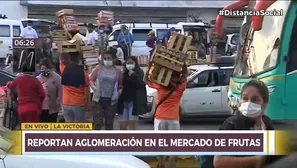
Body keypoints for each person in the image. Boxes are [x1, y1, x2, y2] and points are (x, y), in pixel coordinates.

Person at [212, 80, 274, 168]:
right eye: (245, 98)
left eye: (255, 99)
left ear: (265, 103)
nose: (248, 103)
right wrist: (255, 160)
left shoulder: (267, 124)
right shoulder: (232, 124)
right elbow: (219, 161)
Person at [146, 62, 187, 168]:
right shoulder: (180, 87)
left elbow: (147, 80)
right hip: (173, 118)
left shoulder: (161, 85)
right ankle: (172, 165)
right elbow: (185, 75)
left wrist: (150, 66)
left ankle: (161, 164)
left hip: (160, 118)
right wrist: (183, 64)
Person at [90, 50, 123, 130]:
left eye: (109, 58)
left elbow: (120, 85)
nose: (107, 60)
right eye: (105, 58)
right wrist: (94, 88)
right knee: (97, 123)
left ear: (113, 59)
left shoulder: (118, 72)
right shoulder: (98, 69)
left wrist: (118, 93)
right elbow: (91, 80)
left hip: (111, 101)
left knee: (109, 123)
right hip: (98, 100)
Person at [117, 56, 147, 130]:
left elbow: (142, 85)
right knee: (122, 125)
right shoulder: (123, 73)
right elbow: (120, 84)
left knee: (131, 124)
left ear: (135, 63)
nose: (129, 65)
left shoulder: (139, 72)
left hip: (134, 102)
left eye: (131, 63)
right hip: (124, 101)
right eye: (128, 63)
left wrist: (134, 76)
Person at [60, 52, 90, 122]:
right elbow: (87, 92)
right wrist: (87, 104)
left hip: (66, 102)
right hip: (79, 103)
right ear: (79, 59)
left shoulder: (63, 69)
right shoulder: (84, 73)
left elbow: (61, 57)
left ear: (69, 58)